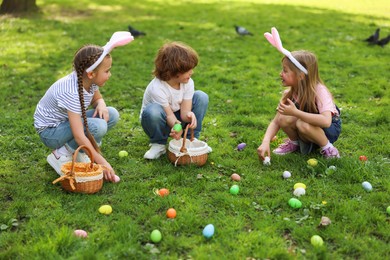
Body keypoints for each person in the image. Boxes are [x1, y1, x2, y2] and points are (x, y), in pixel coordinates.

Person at [34, 32, 133, 181]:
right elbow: (80, 135)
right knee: (98, 126)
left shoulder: (87, 80)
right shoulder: (72, 91)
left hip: (64, 125)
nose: (110, 74)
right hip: (51, 132)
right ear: (91, 74)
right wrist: (103, 163)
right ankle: (60, 154)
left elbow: (97, 98)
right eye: (107, 71)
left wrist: (101, 103)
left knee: (111, 114)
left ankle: (77, 153)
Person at [258, 28, 341, 160]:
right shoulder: (289, 93)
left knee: (302, 123)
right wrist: (265, 141)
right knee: (283, 118)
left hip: (328, 130)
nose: (281, 74)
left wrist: (296, 113)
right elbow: (276, 122)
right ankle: (295, 144)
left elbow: (326, 121)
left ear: (300, 76)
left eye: (285, 71)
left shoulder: (319, 91)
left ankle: (328, 148)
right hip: (307, 128)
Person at [140, 41, 210, 159]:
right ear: (173, 71)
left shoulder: (187, 82)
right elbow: (168, 115)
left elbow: (184, 114)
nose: (191, 72)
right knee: (152, 110)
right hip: (158, 121)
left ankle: (190, 140)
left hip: (176, 117)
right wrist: (176, 127)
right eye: (188, 70)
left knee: (201, 96)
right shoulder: (157, 88)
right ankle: (158, 144)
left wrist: (190, 115)